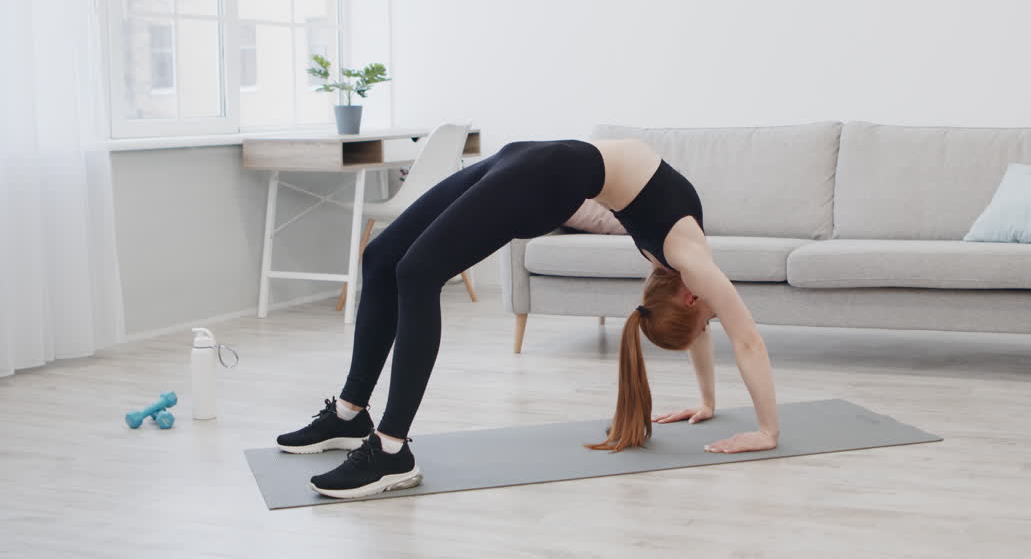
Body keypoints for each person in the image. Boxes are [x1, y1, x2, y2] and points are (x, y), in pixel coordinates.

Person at [276, 138, 781, 499]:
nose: (715, 318)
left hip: (542, 166)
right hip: (535, 164)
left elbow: (706, 329)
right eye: (709, 320)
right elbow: (748, 340)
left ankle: (389, 448)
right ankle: (350, 415)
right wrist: (767, 430)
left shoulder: (679, 259)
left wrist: (707, 402)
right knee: (383, 256)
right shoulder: (688, 259)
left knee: (416, 272)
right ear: (694, 298)